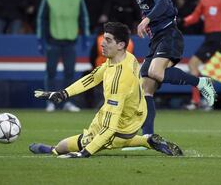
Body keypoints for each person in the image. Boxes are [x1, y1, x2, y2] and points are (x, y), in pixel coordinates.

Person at [96, 0, 216, 135]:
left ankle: (202, 83)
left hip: (169, 35)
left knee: (155, 72)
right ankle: (148, 137)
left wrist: (147, 19)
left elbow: (162, 2)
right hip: (156, 40)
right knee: (145, 89)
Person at [29, 22, 183, 158]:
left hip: (121, 125)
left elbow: (110, 128)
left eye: (108, 40)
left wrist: (85, 152)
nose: (102, 44)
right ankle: (148, 141)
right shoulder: (127, 57)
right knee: (120, 139)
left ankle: (53, 150)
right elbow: (93, 77)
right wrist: (63, 94)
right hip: (134, 114)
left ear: (120, 45)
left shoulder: (119, 80)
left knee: (67, 145)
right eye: (103, 38)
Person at [36, 0, 90, 112]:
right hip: (53, 40)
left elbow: (83, 17)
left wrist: (85, 36)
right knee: (51, 72)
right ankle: (50, 102)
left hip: (71, 40)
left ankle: (68, 102)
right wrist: (40, 39)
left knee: (69, 74)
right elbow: (41, 18)